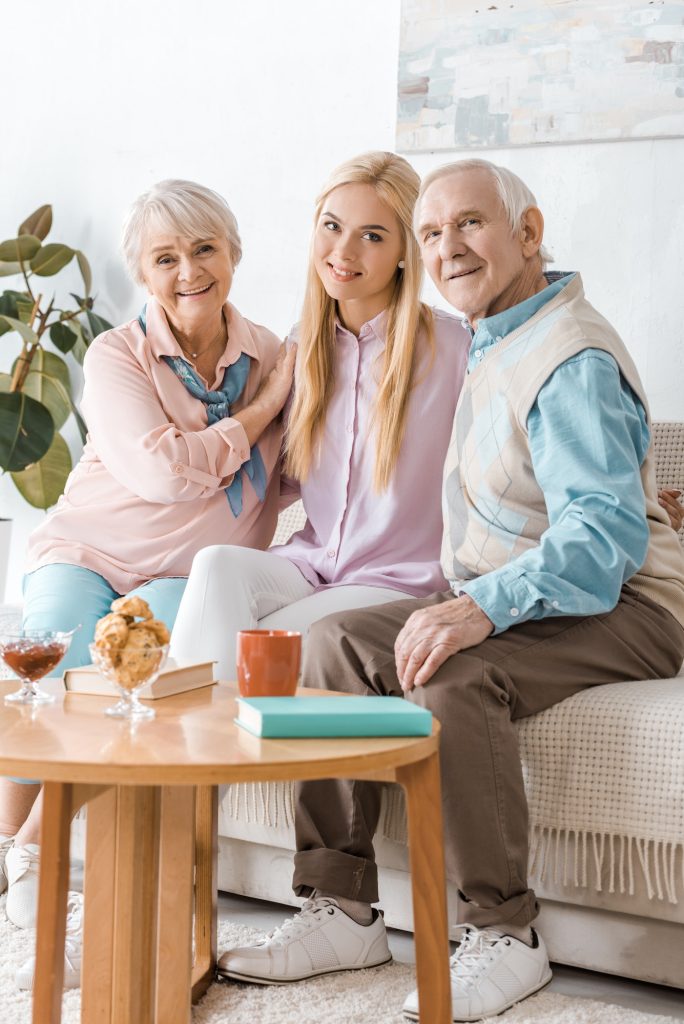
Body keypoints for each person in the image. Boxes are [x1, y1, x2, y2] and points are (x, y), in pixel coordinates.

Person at [218, 159, 684, 1022]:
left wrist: (476, 608)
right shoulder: (494, 339)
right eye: (430, 234)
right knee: (330, 643)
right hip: (542, 593)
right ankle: (341, 905)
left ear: (529, 233)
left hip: (632, 608)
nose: (446, 248)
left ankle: (505, 932)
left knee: (454, 675)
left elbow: (604, 540)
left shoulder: (568, 354)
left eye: (468, 224)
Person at [1, 180, 294, 962]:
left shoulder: (279, 355)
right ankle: (8, 850)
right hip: (88, 547)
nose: (189, 270)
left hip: (193, 572)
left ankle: (33, 847)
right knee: (52, 660)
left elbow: (306, 472)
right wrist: (261, 414)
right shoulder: (114, 354)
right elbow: (162, 476)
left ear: (233, 252)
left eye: (205, 248)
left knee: (125, 672)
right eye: (166, 257)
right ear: (142, 271)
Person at [170, 152, 470, 678]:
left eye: (373, 236)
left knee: (258, 653)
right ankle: (200, 750)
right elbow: (267, 474)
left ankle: (209, 748)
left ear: (406, 251)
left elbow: (514, 444)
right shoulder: (298, 350)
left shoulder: (453, 346)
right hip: (311, 564)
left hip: (396, 580)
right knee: (215, 567)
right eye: (332, 227)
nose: (344, 251)